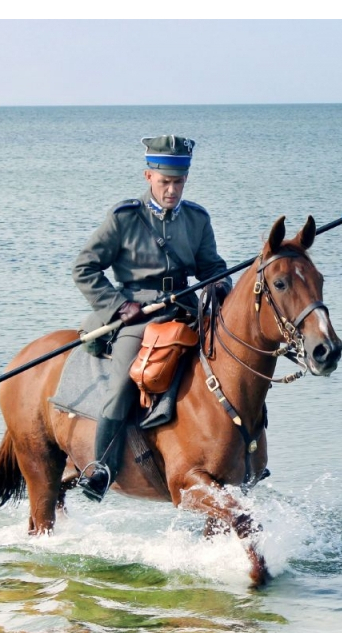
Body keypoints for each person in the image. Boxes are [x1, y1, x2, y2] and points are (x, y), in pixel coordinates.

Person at [72, 135, 232, 502]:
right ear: (148, 176)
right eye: (165, 182)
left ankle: (243, 452)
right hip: (139, 315)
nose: (172, 190)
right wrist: (118, 306)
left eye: (179, 182)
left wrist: (221, 285)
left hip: (186, 308)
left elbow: (212, 266)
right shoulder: (124, 218)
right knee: (123, 384)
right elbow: (84, 268)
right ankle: (102, 466)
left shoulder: (197, 219)